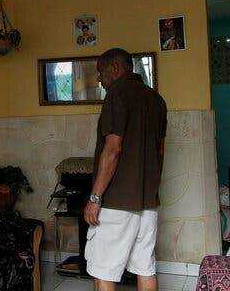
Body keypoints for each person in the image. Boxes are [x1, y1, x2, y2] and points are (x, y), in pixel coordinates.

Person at [83, 48, 167, 291]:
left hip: (116, 202)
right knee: (145, 268)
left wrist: (95, 197)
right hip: (148, 202)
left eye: (101, 72)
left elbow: (113, 149)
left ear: (116, 68)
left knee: (103, 271)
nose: (99, 79)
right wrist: (149, 186)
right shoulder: (156, 99)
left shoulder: (116, 94)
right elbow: (159, 152)